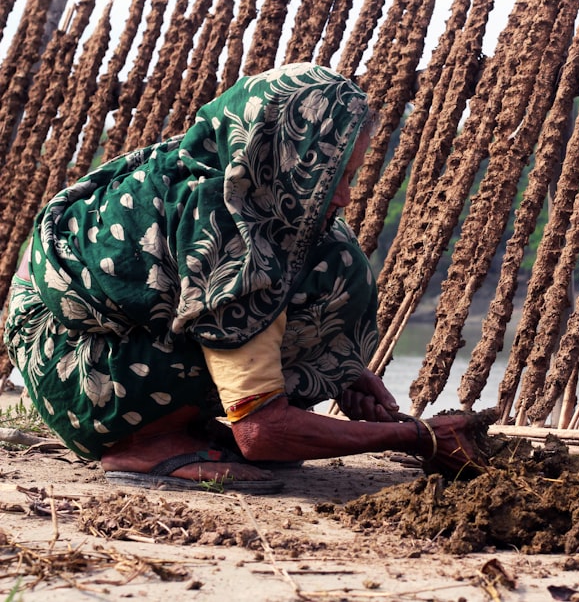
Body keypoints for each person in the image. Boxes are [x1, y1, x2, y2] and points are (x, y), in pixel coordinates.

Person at [4, 64, 488, 494]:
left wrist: (338, 367)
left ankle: (180, 427)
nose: (342, 196)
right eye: (333, 176)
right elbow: (263, 434)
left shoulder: (246, 188)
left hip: (109, 343)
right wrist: (417, 437)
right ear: (284, 154)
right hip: (74, 365)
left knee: (333, 255)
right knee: (261, 396)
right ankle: (143, 443)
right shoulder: (224, 227)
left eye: (349, 176)